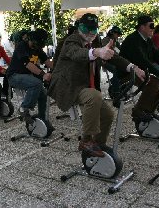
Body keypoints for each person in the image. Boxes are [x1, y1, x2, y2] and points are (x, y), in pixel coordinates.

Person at [49, 13, 145, 157]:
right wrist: (96, 52)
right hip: (69, 85)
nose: (89, 33)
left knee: (107, 115)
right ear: (79, 27)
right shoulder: (70, 41)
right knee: (94, 96)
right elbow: (77, 53)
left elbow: (113, 56)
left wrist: (133, 67)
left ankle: (98, 144)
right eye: (85, 29)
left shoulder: (96, 40)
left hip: (85, 85)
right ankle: (86, 141)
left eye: (93, 30)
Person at [119, 15, 159, 121]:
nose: (153, 29)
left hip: (138, 71)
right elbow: (142, 61)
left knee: (158, 93)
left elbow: (157, 56)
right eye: (151, 26)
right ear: (142, 27)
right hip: (126, 73)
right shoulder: (133, 40)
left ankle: (147, 114)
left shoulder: (147, 40)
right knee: (153, 82)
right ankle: (138, 112)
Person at [6, 28, 54, 129]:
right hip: (14, 76)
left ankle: (42, 119)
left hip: (27, 76)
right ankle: (24, 108)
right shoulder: (21, 46)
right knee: (37, 83)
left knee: (43, 94)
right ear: (31, 39)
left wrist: (60, 67)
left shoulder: (37, 49)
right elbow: (28, 65)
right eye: (35, 44)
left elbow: (47, 62)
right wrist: (43, 74)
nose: (36, 47)